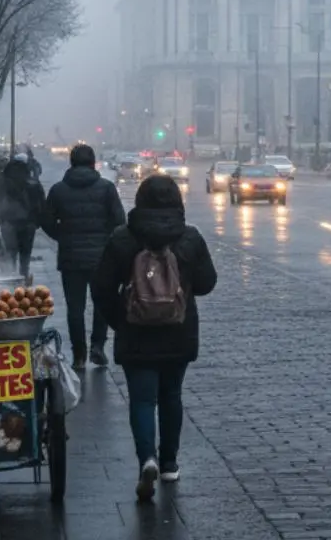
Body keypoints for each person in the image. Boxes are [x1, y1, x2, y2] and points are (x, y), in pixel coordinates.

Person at [91, 175, 216, 501]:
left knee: (143, 399)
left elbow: (101, 286)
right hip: (179, 330)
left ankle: (146, 458)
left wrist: (119, 320)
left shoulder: (123, 239)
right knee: (172, 396)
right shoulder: (189, 238)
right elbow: (206, 283)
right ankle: (170, 463)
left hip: (136, 332)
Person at [41, 143, 125, 369]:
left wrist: (62, 236)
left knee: (75, 308)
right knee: (102, 304)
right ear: (92, 162)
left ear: (71, 163)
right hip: (101, 257)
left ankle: (79, 354)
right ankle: (97, 347)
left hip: (71, 257)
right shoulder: (106, 188)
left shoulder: (59, 190)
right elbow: (120, 221)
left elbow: (46, 220)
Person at [0, 154, 46, 279]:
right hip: (28, 224)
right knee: (25, 257)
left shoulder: (2, 180)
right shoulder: (33, 182)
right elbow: (41, 204)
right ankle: (24, 282)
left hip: (8, 222)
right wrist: (37, 222)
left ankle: (11, 281)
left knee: (10, 254)